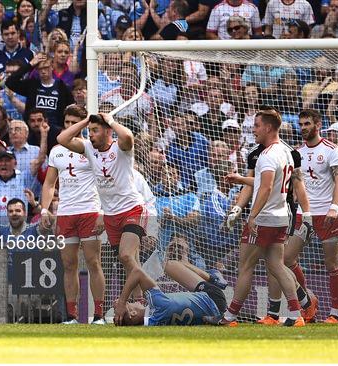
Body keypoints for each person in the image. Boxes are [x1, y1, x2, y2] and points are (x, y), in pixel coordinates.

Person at [219, 109, 305, 327]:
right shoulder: (286, 152)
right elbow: (269, 183)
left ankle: (230, 317)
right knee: (276, 265)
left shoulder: (266, 155)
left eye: (256, 126)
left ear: (267, 127)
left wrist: (252, 216)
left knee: (246, 266)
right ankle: (296, 315)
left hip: (264, 217)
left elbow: (265, 188)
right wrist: (240, 179)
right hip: (281, 217)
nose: (253, 130)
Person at [266, 110, 338, 323]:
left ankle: (335, 314)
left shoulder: (332, 149)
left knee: (332, 264)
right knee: (287, 259)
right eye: (301, 124)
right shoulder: (296, 152)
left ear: (318, 125)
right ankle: (308, 301)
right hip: (303, 214)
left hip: (327, 213)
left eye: (307, 123)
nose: (303, 128)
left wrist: (334, 207)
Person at [57, 113, 146, 301]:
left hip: (132, 208)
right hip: (111, 215)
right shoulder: (89, 149)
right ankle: (144, 302)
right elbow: (62, 139)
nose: (91, 134)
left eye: (95, 130)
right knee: (129, 261)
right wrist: (86, 121)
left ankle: (148, 297)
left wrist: (112, 121)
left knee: (126, 256)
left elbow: (128, 137)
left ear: (108, 132)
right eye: (89, 131)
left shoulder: (120, 147)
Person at [40, 104, 106, 324]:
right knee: (69, 265)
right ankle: (72, 316)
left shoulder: (92, 148)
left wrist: (103, 212)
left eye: (73, 122)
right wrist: (44, 209)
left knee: (93, 262)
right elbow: (50, 183)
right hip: (66, 213)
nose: (70, 126)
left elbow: (105, 181)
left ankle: (98, 316)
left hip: (89, 210)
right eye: (67, 122)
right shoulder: (57, 150)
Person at [113, 259, 226, 326]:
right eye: (129, 303)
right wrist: (122, 302)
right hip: (213, 297)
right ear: (133, 313)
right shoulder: (157, 303)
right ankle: (213, 278)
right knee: (170, 265)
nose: (130, 301)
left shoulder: (153, 322)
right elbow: (137, 272)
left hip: (214, 314)